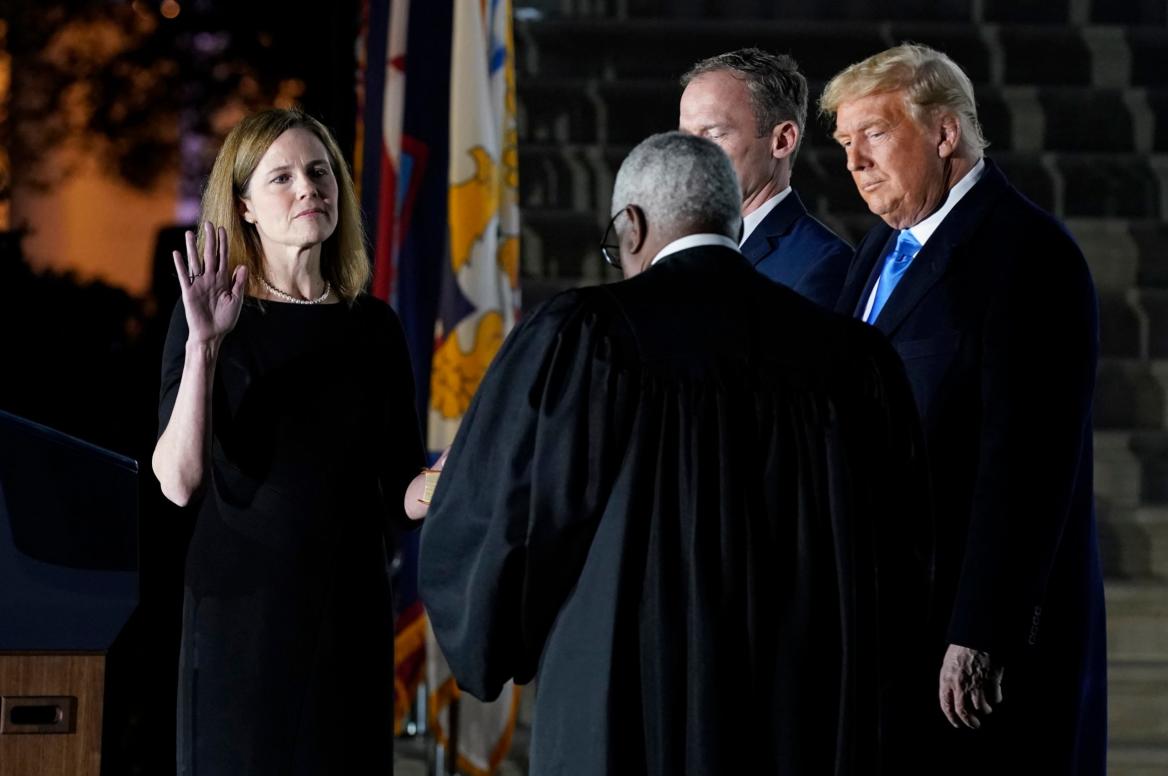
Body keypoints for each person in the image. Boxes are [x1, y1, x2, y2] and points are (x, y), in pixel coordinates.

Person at [417, 132, 931, 775]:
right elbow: (903, 556)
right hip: (799, 712)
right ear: (734, 220)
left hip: (626, 704)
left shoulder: (588, 336)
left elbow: (515, 521)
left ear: (630, 227)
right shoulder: (853, 357)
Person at [822, 44, 1107, 774]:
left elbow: (1029, 460)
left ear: (945, 133)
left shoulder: (1027, 253)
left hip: (967, 643)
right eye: (845, 144)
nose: (855, 162)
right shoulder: (876, 252)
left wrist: (982, 629)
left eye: (874, 135)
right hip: (888, 624)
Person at [151, 108, 434, 775]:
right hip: (241, 622)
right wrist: (203, 348)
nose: (309, 187)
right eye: (281, 177)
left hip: (349, 617)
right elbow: (178, 480)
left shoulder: (374, 327)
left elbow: (401, 494)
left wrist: (457, 472)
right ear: (244, 206)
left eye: (319, 170)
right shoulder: (214, 316)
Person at [679, 48, 853, 310]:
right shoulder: (680, 251)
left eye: (714, 134)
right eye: (685, 136)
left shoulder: (822, 264)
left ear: (782, 140)